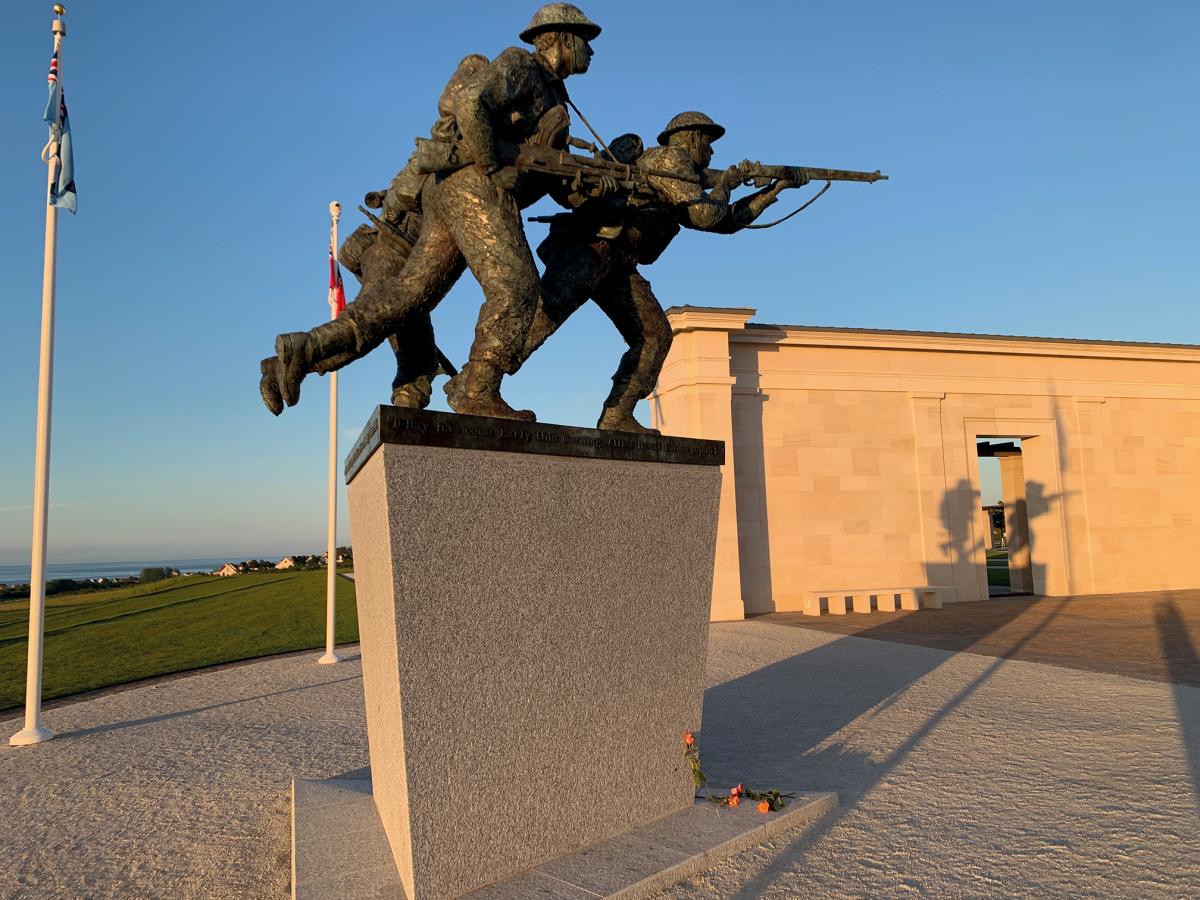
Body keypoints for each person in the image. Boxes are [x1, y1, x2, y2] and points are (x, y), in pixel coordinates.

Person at [264, 3, 602, 421]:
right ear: (562, 38)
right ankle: (476, 387)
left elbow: (550, 178)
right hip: (474, 185)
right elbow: (471, 102)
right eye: (586, 41)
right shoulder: (522, 66)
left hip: (457, 190)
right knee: (516, 287)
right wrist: (492, 165)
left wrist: (587, 189)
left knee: (408, 298)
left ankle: (305, 349)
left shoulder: (555, 97)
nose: (592, 51)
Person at [519, 112, 804, 431]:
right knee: (544, 316)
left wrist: (774, 191)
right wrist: (725, 184)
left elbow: (725, 222)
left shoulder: (683, 176)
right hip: (590, 247)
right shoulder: (671, 159)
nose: (711, 153)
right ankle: (480, 383)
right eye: (708, 144)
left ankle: (617, 414)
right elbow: (707, 215)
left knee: (654, 335)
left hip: (619, 260)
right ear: (694, 138)